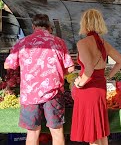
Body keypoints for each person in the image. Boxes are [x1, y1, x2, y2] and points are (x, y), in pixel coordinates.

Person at [4, 14, 74, 145]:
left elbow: (8, 65)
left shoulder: (23, 42)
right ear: (49, 27)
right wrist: (58, 72)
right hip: (54, 93)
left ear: (33, 26)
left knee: (33, 132)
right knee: (57, 132)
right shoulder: (58, 42)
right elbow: (70, 69)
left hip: (30, 94)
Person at [71, 9, 121, 145]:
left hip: (88, 90)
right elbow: (120, 61)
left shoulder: (83, 43)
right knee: (100, 129)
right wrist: (108, 76)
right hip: (100, 87)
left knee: (91, 133)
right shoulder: (103, 42)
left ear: (84, 23)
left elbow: (88, 69)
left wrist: (79, 83)